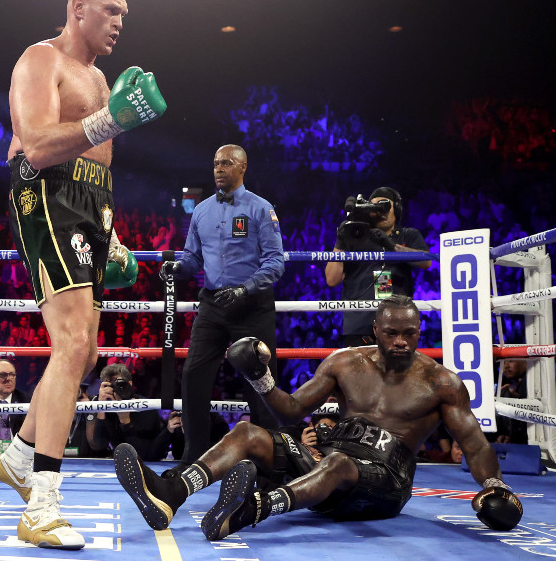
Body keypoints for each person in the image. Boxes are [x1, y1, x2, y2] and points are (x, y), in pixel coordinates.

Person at [0, 0, 165, 550]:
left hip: (90, 203)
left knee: (87, 349)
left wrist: (108, 235)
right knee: (69, 344)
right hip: (45, 194)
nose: (119, 22)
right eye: (110, 10)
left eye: (125, 14)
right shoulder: (40, 59)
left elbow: (96, 162)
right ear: (77, 7)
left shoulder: (99, 76)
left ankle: (17, 457)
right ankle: (42, 504)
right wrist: (112, 118)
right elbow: (36, 145)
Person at [114, 295, 523, 541]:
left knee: (338, 463)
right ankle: (172, 494)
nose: (401, 342)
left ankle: (247, 511)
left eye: (410, 334)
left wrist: (493, 485)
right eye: (392, 333)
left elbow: (474, 443)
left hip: (385, 482)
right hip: (328, 461)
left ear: (419, 331)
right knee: (247, 433)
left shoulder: (440, 382)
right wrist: (260, 377)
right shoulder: (344, 364)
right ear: (375, 331)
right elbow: (291, 409)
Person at [159, 144, 285, 472]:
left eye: (226, 163)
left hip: (252, 305)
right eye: (215, 163)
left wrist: (246, 289)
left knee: (260, 382)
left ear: (242, 167)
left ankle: (266, 460)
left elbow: (275, 261)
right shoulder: (200, 211)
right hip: (213, 303)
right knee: (194, 375)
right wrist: (177, 267)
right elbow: (193, 258)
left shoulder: (261, 208)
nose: (218, 168)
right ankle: (194, 457)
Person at [325, 187, 431, 346]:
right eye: (375, 208)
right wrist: (340, 243)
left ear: (397, 209)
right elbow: (332, 279)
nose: (380, 212)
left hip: (397, 324)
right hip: (359, 325)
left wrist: (391, 246)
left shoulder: (408, 235)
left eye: (385, 206)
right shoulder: (355, 237)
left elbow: (426, 262)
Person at [84, 362, 163, 460]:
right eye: (113, 385)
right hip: (111, 465)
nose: (117, 388)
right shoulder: (101, 405)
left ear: (130, 383)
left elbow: (143, 454)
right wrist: (102, 407)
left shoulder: (146, 407)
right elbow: (99, 445)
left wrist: (125, 422)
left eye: (120, 383)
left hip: (144, 464)